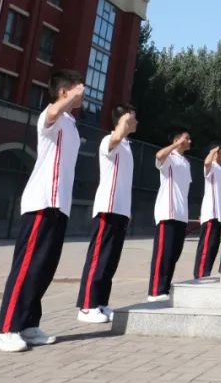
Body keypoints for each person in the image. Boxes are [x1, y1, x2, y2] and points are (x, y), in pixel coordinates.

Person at [0, 70, 85, 353]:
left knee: (43, 269)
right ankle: (6, 329)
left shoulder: (70, 123)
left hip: (60, 206)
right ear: (63, 92)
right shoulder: (52, 116)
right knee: (26, 267)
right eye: (76, 86)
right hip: (42, 202)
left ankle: (29, 324)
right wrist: (69, 98)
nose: (83, 89)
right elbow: (50, 115)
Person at [76, 104, 138, 324]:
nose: (136, 121)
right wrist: (123, 121)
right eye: (133, 118)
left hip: (120, 211)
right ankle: (86, 306)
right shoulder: (108, 141)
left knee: (110, 261)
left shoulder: (128, 146)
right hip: (107, 209)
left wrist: (128, 212)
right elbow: (114, 140)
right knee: (98, 259)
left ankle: (100, 303)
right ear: (123, 120)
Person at [148, 128, 192, 301]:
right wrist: (174, 145)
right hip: (167, 211)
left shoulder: (186, 163)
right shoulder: (169, 158)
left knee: (174, 254)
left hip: (181, 214)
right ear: (177, 139)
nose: (189, 142)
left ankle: (165, 288)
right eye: (186, 139)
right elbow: (158, 156)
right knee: (163, 253)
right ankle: (155, 291)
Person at [194, 144, 221, 278]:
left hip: (218, 216)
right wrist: (213, 150)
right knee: (205, 246)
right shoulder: (211, 167)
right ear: (216, 153)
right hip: (210, 214)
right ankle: (200, 274)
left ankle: (206, 272)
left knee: (213, 247)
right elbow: (206, 162)